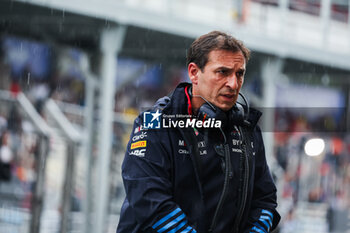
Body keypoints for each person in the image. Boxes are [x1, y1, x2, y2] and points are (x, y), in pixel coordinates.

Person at [117, 31, 280, 233]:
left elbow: (265, 201)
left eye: (239, 74)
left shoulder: (247, 129)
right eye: (222, 72)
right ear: (194, 73)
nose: (233, 84)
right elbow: (148, 198)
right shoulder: (153, 122)